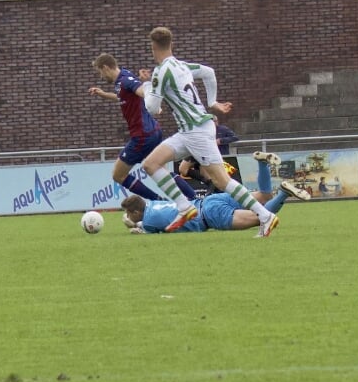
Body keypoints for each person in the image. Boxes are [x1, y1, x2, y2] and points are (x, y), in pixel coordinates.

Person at [138, 26, 278, 237]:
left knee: (222, 180)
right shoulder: (182, 66)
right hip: (191, 130)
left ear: (153, 47)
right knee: (150, 164)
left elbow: (151, 108)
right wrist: (211, 102)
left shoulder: (161, 72)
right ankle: (185, 208)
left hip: (195, 131)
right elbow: (209, 73)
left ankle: (265, 216)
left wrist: (148, 86)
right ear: (171, 44)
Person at [88, 53, 195, 202]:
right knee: (159, 169)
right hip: (152, 131)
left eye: (100, 72)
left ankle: (158, 201)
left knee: (118, 175)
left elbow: (142, 91)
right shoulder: (123, 78)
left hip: (142, 135)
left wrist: (153, 103)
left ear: (105, 67)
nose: (100, 76)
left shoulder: (125, 80)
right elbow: (124, 97)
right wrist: (103, 94)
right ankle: (193, 198)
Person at [122, 152, 311, 234]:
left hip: (210, 215)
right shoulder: (154, 203)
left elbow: (144, 228)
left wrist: (134, 225)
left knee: (261, 217)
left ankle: (284, 194)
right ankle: (262, 164)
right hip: (210, 200)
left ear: (137, 213)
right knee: (263, 196)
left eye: (130, 213)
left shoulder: (148, 221)